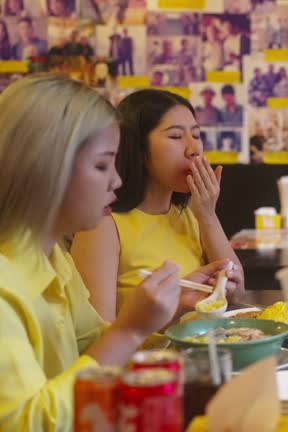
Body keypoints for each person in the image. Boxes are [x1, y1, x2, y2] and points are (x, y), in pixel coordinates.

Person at [0, 74, 226, 429]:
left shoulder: (52, 258)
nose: (117, 181)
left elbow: (91, 344)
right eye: (103, 165)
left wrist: (156, 315)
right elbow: (27, 423)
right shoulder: (6, 285)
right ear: (46, 169)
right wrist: (130, 330)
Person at [71, 89, 244, 322]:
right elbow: (96, 340)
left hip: (204, 353)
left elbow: (236, 293)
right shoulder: (103, 224)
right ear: (138, 148)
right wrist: (177, 307)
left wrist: (208, 217)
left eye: (196, 135)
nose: (193, 149)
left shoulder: (191, 215)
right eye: (175, 137)